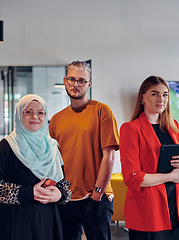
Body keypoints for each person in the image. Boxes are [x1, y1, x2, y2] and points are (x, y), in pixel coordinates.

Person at [0, 94, 71, 240]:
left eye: (40, 112)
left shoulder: (53, 147)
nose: (35, 116)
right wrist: (27, 192)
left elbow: (64, 182)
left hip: (48, 221)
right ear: (19, 115)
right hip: (15, 221)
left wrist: (61, 194)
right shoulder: (6, 147)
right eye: (28, 111)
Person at [49, 61, 120, 240]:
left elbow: (109, 157)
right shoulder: (57, 119)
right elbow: (53, 161)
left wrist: (97, 195)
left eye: (81, 81)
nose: (76, 84)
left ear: (89, 84)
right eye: (72, 79)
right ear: (65, 81)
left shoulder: (102, 111)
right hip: (65, 198)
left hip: (95, 196)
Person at [119, 76, 179, 240]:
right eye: (155, 94)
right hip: (149, 210)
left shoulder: (173, 126)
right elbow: (132, 177)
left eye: (165, 95)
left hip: (174, 206)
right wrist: (171, 176)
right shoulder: (131, 129)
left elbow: (177, 162)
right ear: (142, 98)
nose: (161, 99)